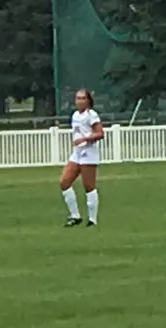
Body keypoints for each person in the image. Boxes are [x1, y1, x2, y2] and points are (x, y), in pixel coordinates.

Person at [59, 89, 103, 228]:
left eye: (83, 98)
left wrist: (85, 139)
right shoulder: (75, 115)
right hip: (77, 153)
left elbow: (100, 134)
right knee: (64, 182)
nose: (80, 101)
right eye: (78, 98)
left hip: (89, 153)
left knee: (88, 186)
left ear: (88, 100)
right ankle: (75, 215)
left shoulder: (92, 115)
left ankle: (92, 219)